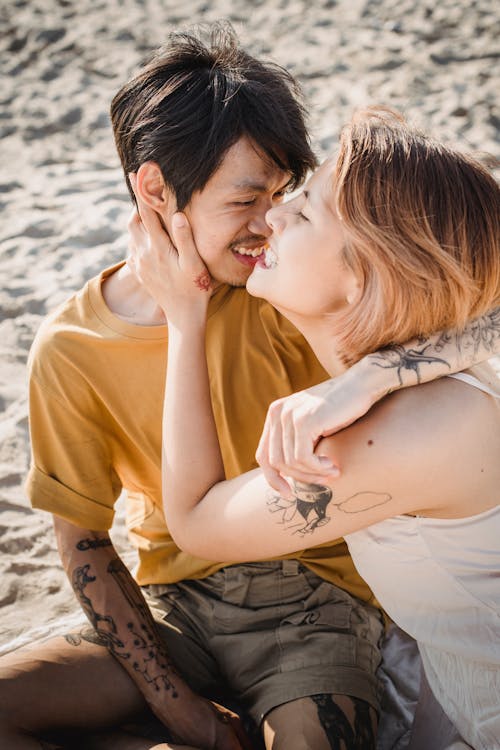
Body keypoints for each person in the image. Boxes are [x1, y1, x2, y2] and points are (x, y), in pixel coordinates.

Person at [1, 22, 498, 750]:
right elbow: (85, 539)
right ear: (154, 189)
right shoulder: (75, 345)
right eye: (248, 199)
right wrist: (181, 710)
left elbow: (199, 516)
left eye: (290, 198)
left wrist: (353, 379)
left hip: (321, 613)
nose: (271, 220)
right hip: (181, 603)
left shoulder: (308, 320)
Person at [129, 106, 500, 750]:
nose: (272, 214)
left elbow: (193, 521)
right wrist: (374, 374)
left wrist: (183, 319)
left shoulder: (398, 439)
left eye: (302, 213)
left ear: (363, 275)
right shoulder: (454, 369)